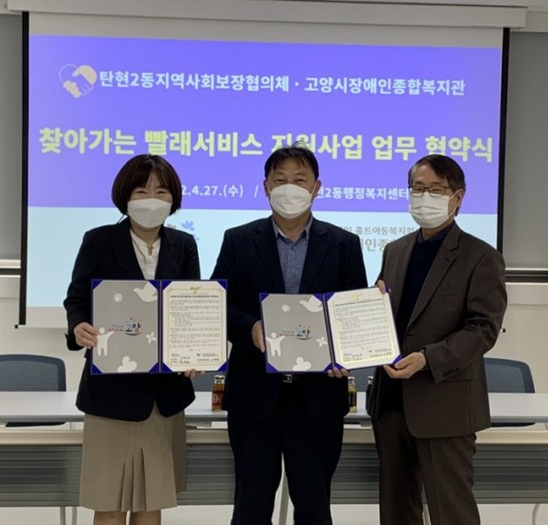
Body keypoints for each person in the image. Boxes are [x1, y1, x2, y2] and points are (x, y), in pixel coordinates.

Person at [210, 145, 367, 525]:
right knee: (250, 509)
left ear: (316, 187)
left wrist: (347, 352)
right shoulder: (238, 240)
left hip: (318, 399)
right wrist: (251, 327)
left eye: (299, 180)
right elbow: (217, 304)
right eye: (280, 180)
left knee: (314, 509)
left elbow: (353, 314)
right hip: (255, 396)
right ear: (266, 186)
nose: (289, 188)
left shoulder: (344, 244)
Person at [367, 154, 507, 525]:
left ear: (457, 198)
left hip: (444, 403)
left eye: (436, 190)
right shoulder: (395, 251)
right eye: (418, 188)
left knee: (451, 512)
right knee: (397, 511)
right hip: (390, 403)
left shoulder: (482, 257)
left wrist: (429, 358)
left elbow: (483, 328)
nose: (425, 197)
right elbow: (391, 318)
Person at [64, 154, 199, 525]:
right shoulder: (99, 240)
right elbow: (77, 298)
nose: (152, 199)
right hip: (111, 391)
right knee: (109, 503)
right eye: (142, 190)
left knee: (150, 502)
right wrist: (79, 325)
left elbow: (191, 306)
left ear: (173, 198)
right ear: (125, 196)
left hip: (163, 394)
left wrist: (194, 351)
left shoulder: (184, 244)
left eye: (161, 191)